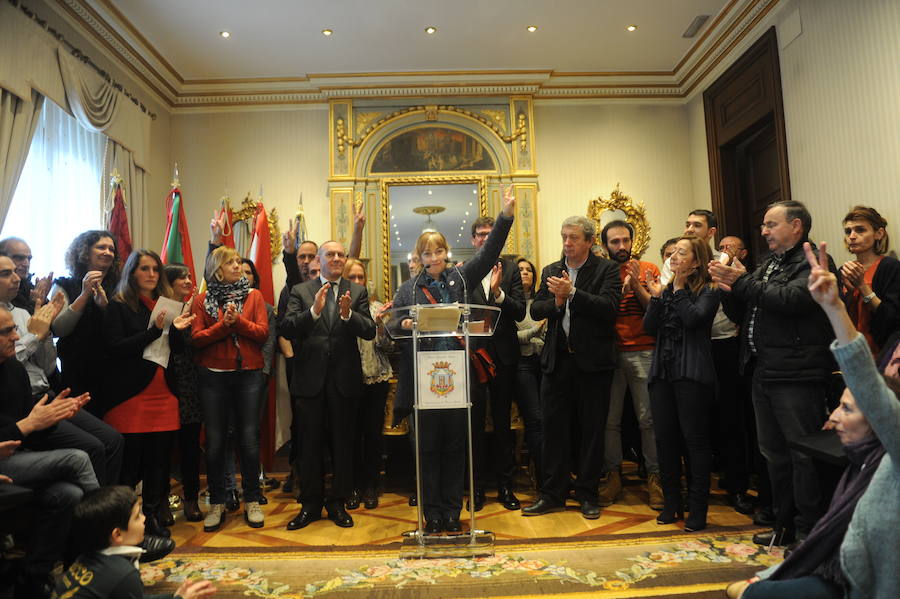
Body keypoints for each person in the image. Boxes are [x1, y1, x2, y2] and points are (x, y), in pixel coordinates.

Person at [726, 241, 900, 599]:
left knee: (740, 593)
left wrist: (835, 308)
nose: (834, 417)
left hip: (858, 587)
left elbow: (865, 381)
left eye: (848, 409)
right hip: (834, 569)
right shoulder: (866, 461)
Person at [710, 200, 836, 546]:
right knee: (774, 455)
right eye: (764, 225)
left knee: (802, 455)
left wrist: (742, 281)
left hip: (797, 374)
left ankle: (810, 532)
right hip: (762, 369)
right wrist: (728, 289)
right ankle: (784, 525)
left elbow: (788, 300)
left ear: (796, 226)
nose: (764, 231)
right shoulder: (768, 264)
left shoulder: (814, 264)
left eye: (771, 224)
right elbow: (744, 311)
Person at [390, 186, 515, 533]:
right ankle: (432, 515)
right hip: (423, 381)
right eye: (427, 252)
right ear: (419, 256)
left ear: (447, 252)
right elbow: (391, 325)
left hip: (458, 378)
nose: (434, 256)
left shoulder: (462, 278)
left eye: (440, 250)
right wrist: (402, 322)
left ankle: (451, 512)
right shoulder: (408, 289)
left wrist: (505, 216)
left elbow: (490, 254)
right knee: (427, 450)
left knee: (455, 448)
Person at [522, 215, 621, 520]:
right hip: (557, 362)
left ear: (590, 242)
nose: (567, 243)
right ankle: (553, 494)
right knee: (554, 431)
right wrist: (555, 301)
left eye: (574, 238)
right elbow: (537, 308)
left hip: (593, 365)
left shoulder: (607, 269)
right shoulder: (552, 270)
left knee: (591, 431)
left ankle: (588, 494)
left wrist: (573, 294)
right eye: (564, 236)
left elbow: (608, 309)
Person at [0, 305, 99, 598]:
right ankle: (106, 544)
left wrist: (52, 417)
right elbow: (21, 427)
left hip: (13, 457)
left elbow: (24, 431)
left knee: (67, 493)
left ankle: (34, 577)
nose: (16, 337)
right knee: (76, 457)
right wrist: (27, 426)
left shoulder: (14, 370)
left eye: (14, 329)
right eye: (7, 331)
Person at [1, 252, 124, 488]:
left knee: (113, 439)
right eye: (7, 273)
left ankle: (113, 509)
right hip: (24, 406)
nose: (17, 277)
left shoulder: (22, 312)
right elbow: (11, 359)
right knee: (94, 447)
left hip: (44, 392)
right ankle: (97, 517)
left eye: (16, 272)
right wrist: (36, 335)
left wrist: (45, 332)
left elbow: (46, 365)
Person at [280, 240, 375, 530]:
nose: (336, 258)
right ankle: (310, 504)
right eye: (330, 254)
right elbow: (286, 327)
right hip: (310, 381)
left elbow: (369, 330)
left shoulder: (356, 291)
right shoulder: (301, 291)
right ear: (318, 261)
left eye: (340, 255)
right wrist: (314, 313)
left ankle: (337, 504)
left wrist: (348, 315)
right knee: (309, 446)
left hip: (344, 382)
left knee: (343, 446)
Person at [102, 249, 194, 539]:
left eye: (155, 269)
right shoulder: (118, 306)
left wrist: (178, 331)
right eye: (144, 269)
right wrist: (154, 331)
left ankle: (151, 518)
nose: (152, 274)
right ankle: (125, 525)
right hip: (131, 396)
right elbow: (116, 348)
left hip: (164, 393)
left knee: (158, 463)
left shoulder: (166, 304)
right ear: (132, 273)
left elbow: (175, 351)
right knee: (130, 467)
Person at [191, 246, 269, 532]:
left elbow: (262, 333)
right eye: (230, 263)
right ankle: (217, 502)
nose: (237, 266)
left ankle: (252, 500)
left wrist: (239, 323)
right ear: (216, 270)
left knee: (248, 440)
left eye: (238, 261)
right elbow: (197, 339)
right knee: (215, 443)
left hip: (248, 375)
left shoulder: (254, 296)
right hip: (213, 378)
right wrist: (224, 327)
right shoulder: (201, 301)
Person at [644, 235, 719, 532]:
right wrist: (657, 297)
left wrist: (676, 290)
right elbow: (648, 327)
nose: (674, 257)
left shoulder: (710, 291)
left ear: (697, 261)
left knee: (696, 443)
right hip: (663, 373)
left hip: (692, 374)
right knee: (665, 440)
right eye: (672, 253)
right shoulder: (666, 290)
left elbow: (692, 319)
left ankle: (698, 510)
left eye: (682, 253)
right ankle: (672, 503)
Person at [598, 220, 663, 510]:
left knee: (648, 419)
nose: (621, 247)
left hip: (644, 350)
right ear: (604, 245)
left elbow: (655, 309)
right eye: (615, 242)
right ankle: (613, 476)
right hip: (610, 354)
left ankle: (655, 478)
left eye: (625, 240)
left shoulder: (649, 268)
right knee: (609, 421)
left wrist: (636, 284)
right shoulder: (600, 271)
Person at [57, 486, 217, 599]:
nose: (144, 518)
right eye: (136, 517)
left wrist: (175, 596)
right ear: (117, 534)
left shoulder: (85, 558)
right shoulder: (123, 574)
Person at [466, 215, 526, 512]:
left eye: (491, 234)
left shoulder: (512, 269)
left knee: (503, 425)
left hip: (503, 357)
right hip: (473, 357)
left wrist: (499, 293)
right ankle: (475, 489)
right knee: (473, 425)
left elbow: (518, 311)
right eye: (480, 234)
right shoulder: (465, 272)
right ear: (473, 240)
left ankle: (505, 486)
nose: (485, 239)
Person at [342, 258, 393, 511]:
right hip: (347, 379)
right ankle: (353, 486)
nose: (357, 282)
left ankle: (372, 485)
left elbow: (389, 348)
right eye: (352, 277)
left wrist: (382, 327)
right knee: (350, 435)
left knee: (373, 435)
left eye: (361, 277)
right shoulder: (337, 306)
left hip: (376, 378)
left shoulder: (378, 309)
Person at [51, 231, 120, 409]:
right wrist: (84, 295)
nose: (107, 252)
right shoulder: (63, 285)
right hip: (76, 371)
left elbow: (123, 329)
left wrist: (104, 307)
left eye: (111, 249)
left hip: (114, 369)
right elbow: (59, 329)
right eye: (101, 247)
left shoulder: (122, 286)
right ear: (85, 252)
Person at [162, 263, 203, 522]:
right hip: (164, 383)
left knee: (190, 446)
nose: (188, 280)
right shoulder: (161, 310)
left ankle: (191, 500)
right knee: (163, 447)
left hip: (190, 383)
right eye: (182, 277)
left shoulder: (195, 309)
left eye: (189, 276)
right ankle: (162, 501)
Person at [840, 205, 900, 354]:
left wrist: (862, 286)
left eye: (860, 230)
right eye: (848, 231)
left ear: (878, 233)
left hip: (882, 353)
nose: (852, 236)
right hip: (850, 353)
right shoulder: (843, 271)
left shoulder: (891, 267)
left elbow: (892, 318)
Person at [514, 257, 544, 490]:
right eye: (520, 270)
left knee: (550, 419)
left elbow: (549, 335)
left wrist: (536, 334)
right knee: (535, 419)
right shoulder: (511, 305)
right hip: (522, 365)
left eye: (528, 270)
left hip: (544, 364)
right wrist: (536, 329)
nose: (525, 273)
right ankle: (542, 478)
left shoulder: (541, 301)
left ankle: (548, 471)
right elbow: (513, 340)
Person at [0, 237, 52, 314]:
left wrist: (43, 300)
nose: (26, 264)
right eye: (19, 258)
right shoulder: (6, 289)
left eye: (29, 259)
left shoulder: (28, 286)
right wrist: (35, 303)